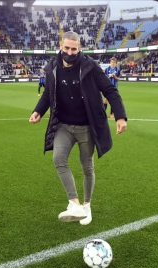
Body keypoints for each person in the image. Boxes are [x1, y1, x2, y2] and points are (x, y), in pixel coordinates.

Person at [29, 31, 127, 225]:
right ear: (60, 45)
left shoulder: (90, 67)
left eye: (74, 49)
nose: (70, 52)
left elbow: (110, 90)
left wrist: (120, 116)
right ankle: (74, 203)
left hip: (87, 127)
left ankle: (87, 205)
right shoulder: (53, 68)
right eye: (66, 48)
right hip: (63, 126)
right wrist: (38, 111)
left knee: (87, 167)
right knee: (58, 158)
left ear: (79, 48)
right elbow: (48, 93)